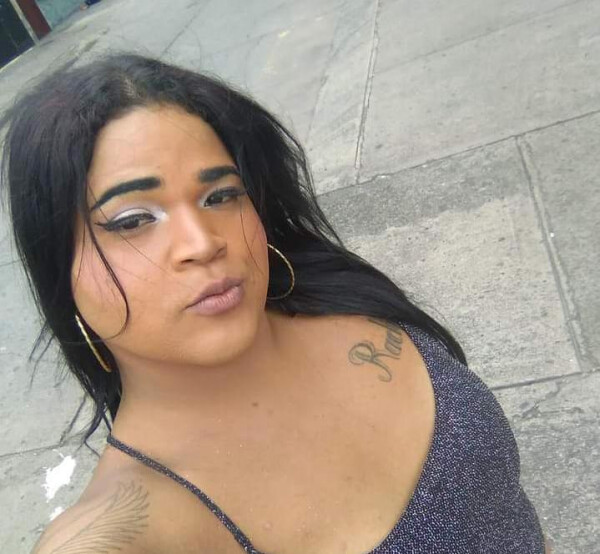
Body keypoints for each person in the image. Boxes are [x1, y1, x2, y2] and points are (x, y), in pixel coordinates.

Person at [0, 54, 550, 553]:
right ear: (59, 272)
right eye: (132, 220)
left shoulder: (341, 297)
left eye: (220, 195)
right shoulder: (126, 528)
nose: (202, 242)